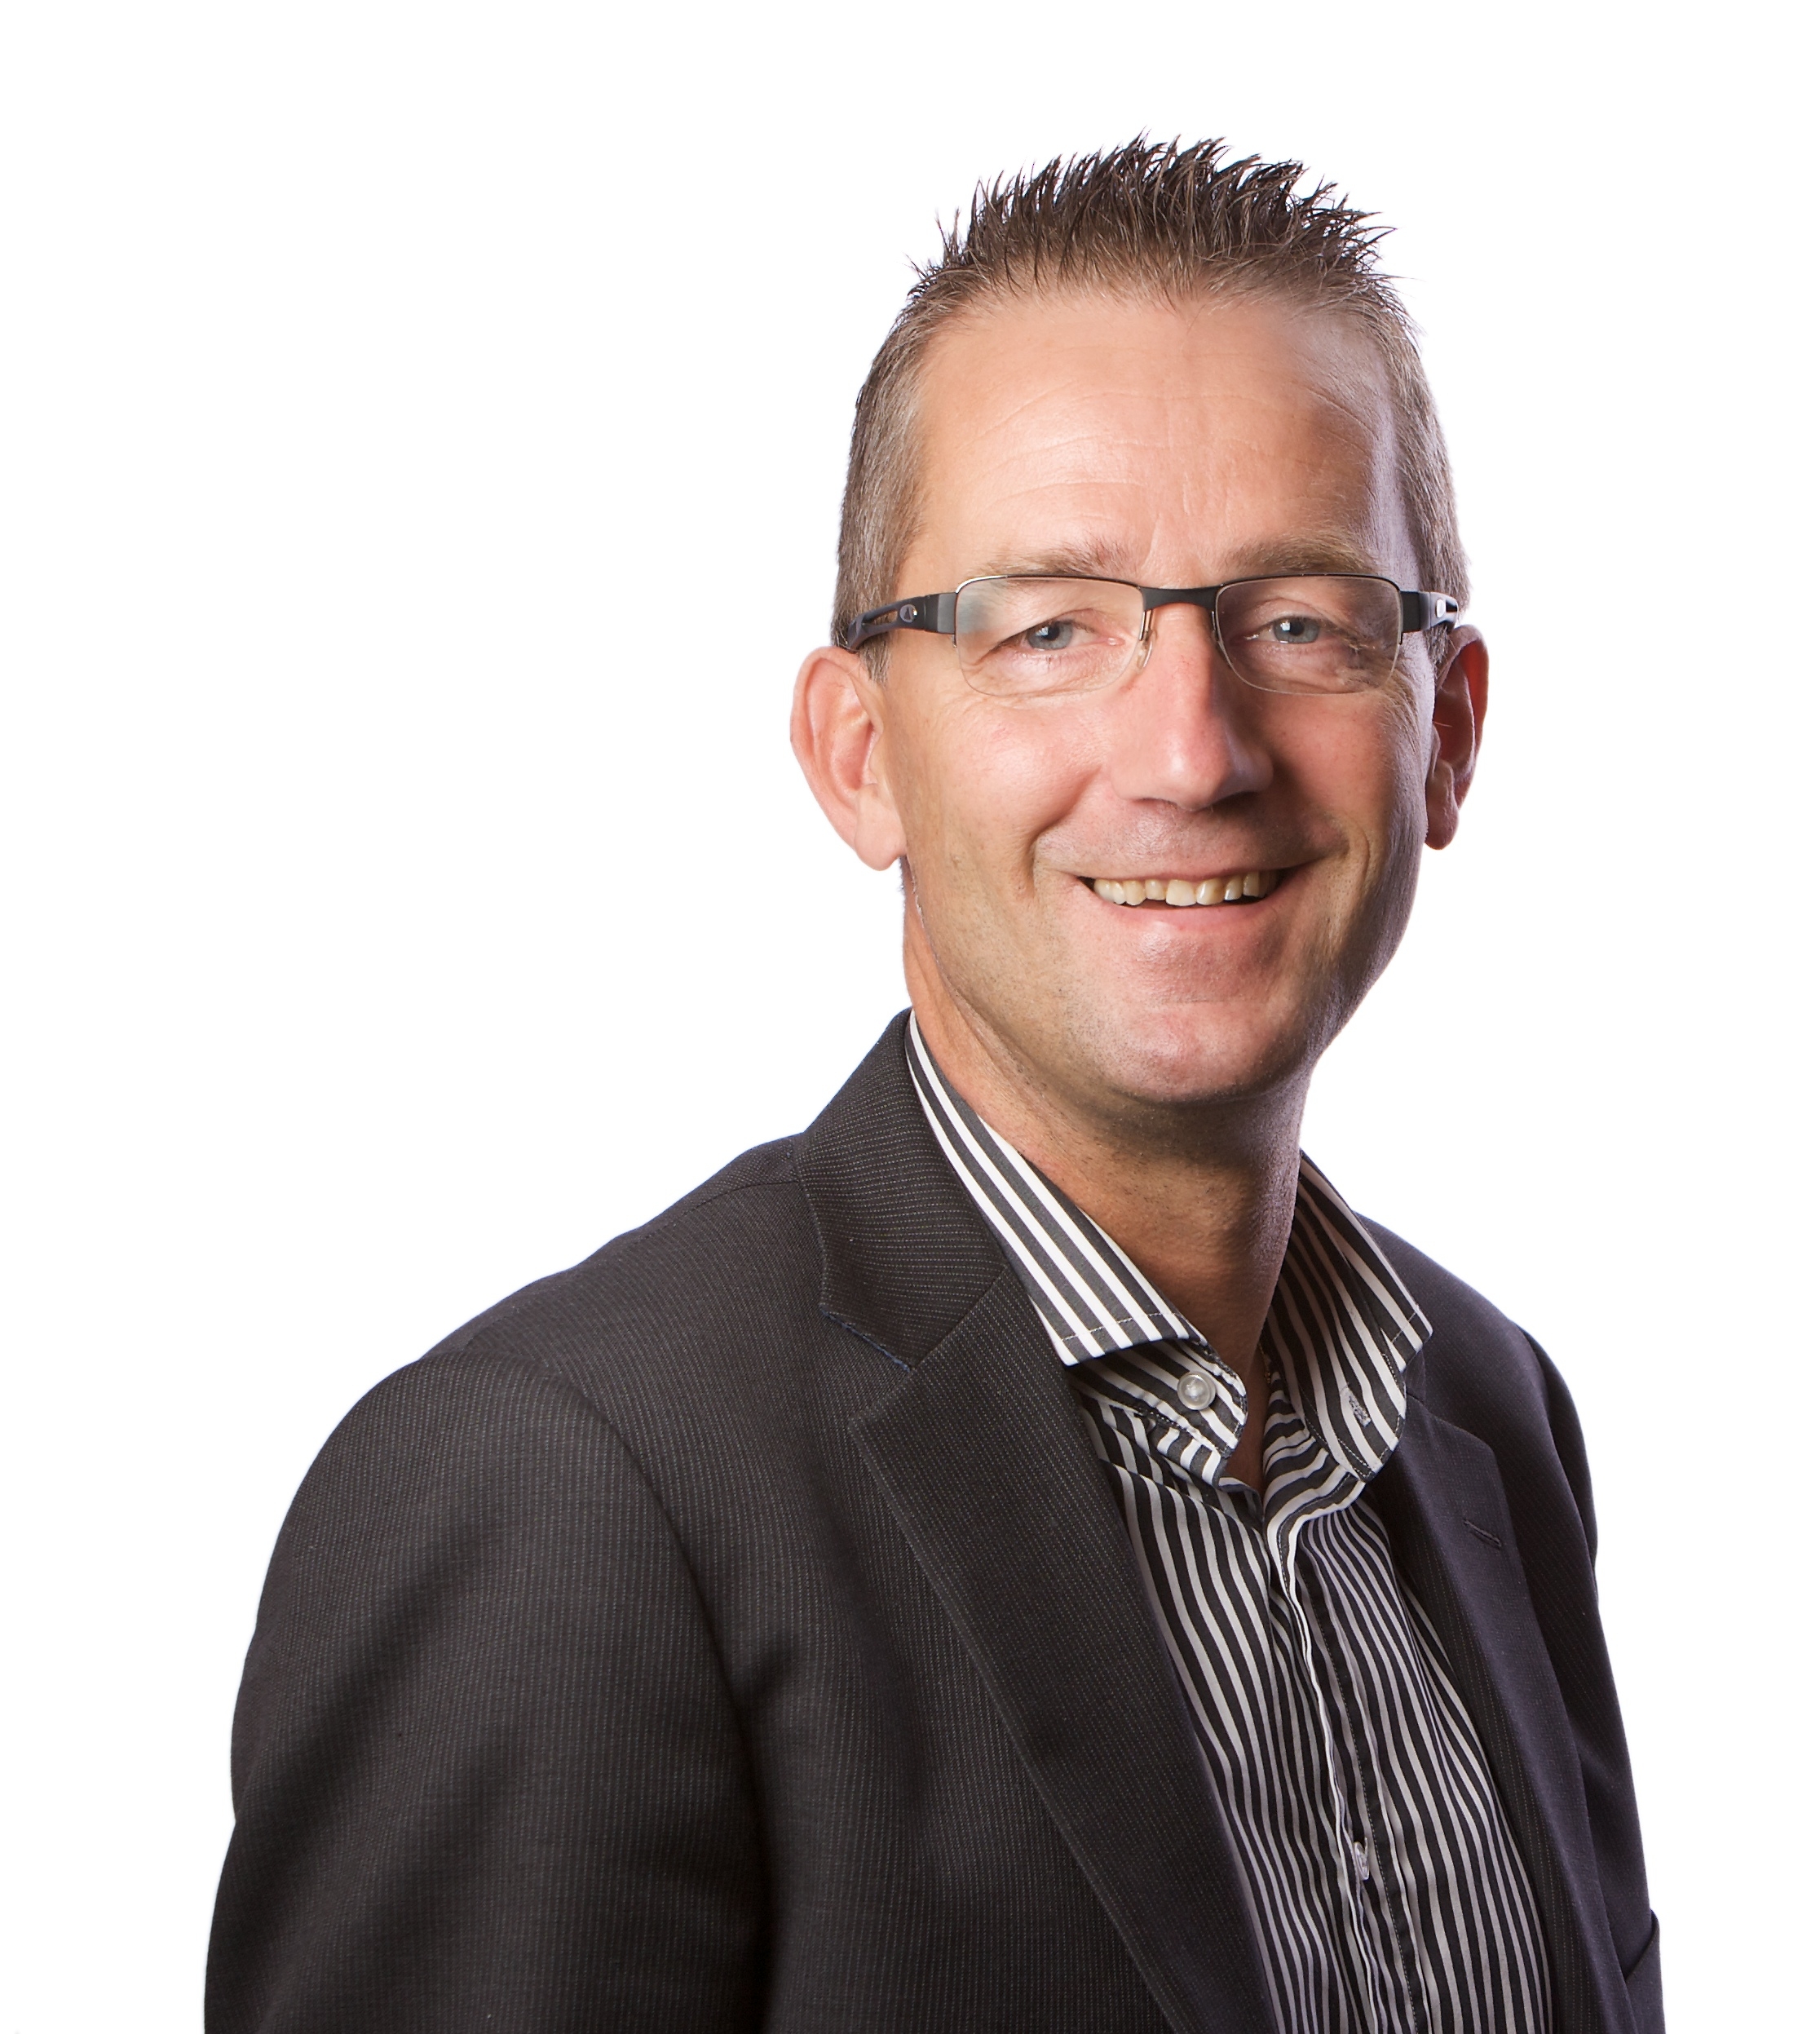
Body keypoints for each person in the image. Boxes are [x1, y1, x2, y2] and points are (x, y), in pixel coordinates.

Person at [206, 139, 1661, 2034]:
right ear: (858, 753)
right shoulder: (564, 1489)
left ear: (1444, 732)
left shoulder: (1486, 1420)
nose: (1191, 749)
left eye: (1298, 621)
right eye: (1048, 628)